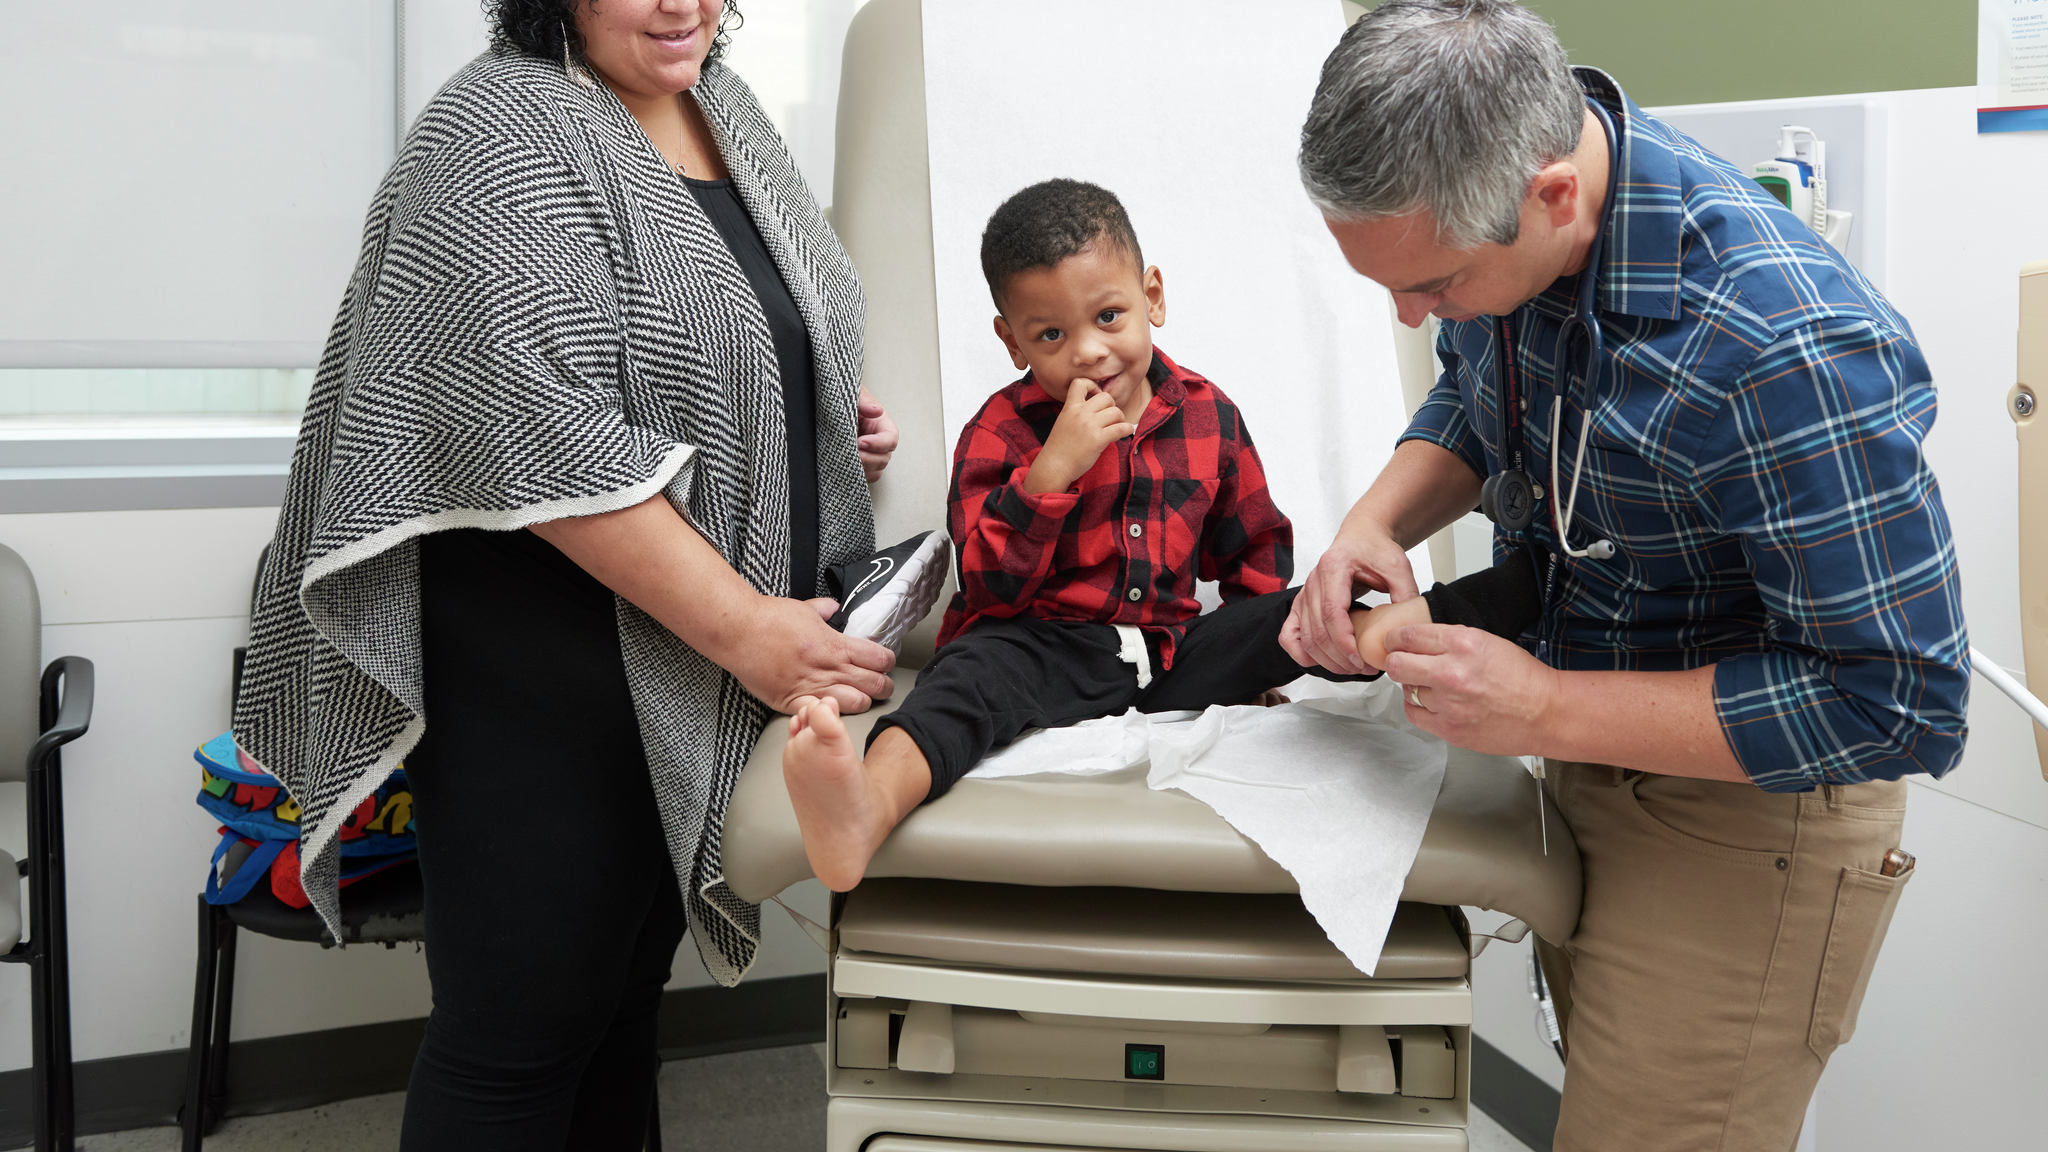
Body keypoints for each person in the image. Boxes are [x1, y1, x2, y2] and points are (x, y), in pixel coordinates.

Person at [1285, 3, 1967, 1149]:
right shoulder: (1508, 215)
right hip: (1590, 751)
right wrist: (1377, 515)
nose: (1406, 315)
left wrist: (1545, 705)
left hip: (1750, 816)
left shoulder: (1779, 343)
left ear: (1553, 193)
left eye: (1431, 284)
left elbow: (1898, 701)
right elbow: (1473, 388)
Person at [232, 1, 902, 1146]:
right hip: (539, 663)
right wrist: (748, 631)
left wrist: (801, 401)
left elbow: (735, 327)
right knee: (516, 1036)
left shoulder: (718, 105)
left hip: (667, 659)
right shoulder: (493, 132)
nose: (682, 4)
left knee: (614, 1012)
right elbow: (527, 420)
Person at [780, 179, 1538, 891]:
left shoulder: (1207, 415)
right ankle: (866, 806)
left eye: (1108, 317)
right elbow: (987, 585)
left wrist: (1260, 655)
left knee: (1311, 614)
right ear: (1013, 343)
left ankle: (1492, 603)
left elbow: (1253, 544)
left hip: (1170, 651)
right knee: (964, 687)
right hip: (1041, 649)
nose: (1087, 351)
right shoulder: (1002, 432)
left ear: (1152, 298)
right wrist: (1051, 474)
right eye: (1050, 334)